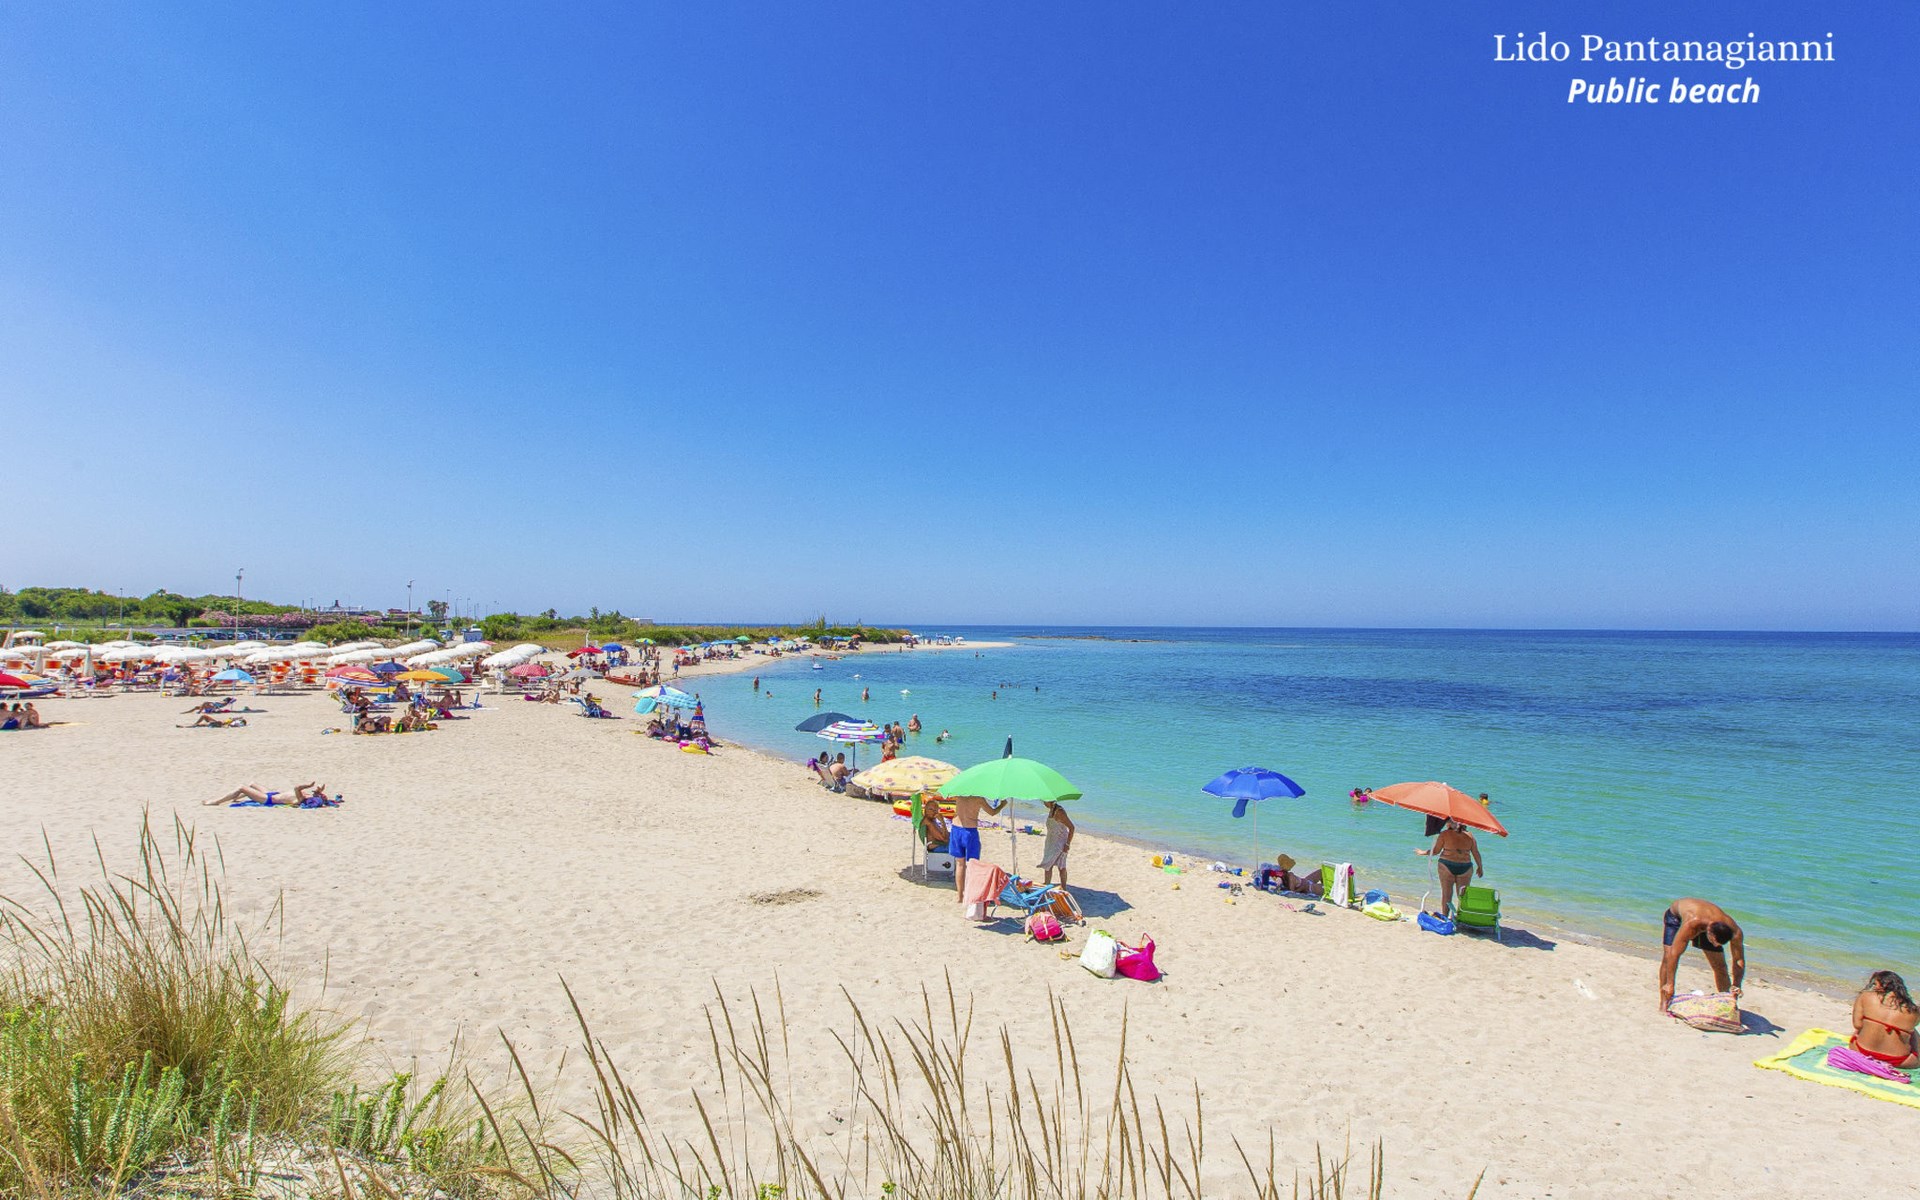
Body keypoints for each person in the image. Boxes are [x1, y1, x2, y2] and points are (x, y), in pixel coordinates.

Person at [1657, 898, 1746, 1013]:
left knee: (1720, 966)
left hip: (1708, 924)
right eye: (1713, 942)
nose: (1715, 946)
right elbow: (1674, 954)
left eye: (1718, 944)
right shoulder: (1692, 922)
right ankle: (1664, 1001)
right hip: (1676, 918)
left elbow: (1738, 960)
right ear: (1709, 932)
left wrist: (1736, 986)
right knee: (1668, 957)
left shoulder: (1736, 932)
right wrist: (1670, 983)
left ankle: (1726, 1003)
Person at [948, 794, 1007, 906]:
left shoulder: (959, 795)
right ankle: (970, 895)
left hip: (956, 829)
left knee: (960, 864)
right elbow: (992, 812)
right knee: (972, 865)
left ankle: (960, 896)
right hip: (969, 831)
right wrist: (1002, 804)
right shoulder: (978, 798)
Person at [1851, 971, 1919, 1067]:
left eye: (1875, 984)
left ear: (1884, 985)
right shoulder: (1914, 1010)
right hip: (1899, 1061)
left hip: (1862, 1051)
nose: (1874, 987)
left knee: (1866, 1023)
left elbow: (1857, 1025)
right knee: (1912, 1031)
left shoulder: (1865, 996)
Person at [1416, 819, 1482, 915]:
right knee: (1462, 896)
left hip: (1446, 866)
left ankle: (1445, 916)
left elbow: (1436, 851)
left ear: (1449, 824)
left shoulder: (1444, 834)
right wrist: (1480, 867)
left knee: (1447, 894)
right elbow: (1475, 852)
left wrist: (1423, 852)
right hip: (1465, 867)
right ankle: (1461, 917)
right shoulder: (1470, 836)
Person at [1039, 800, 1075, 888]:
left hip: (1060, 843)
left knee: (1061, 866)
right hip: (1051, 842)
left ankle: (1063, 888)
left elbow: (1072, 828)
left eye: (1044, 802)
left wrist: (1067, 844)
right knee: (1048, 865)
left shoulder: (1059, 811)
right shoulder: (1051, 810)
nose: (1044, 804)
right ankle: (1047, 885)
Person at [205, 781, 331, 806]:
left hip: (268, 799)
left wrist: (308, 785)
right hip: (272, 793)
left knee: (241, 788)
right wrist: (319, 791)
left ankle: (216, 801)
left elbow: (296, 788)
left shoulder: (300, 799)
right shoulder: (306, 796)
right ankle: (234, 797)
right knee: (252, 783)